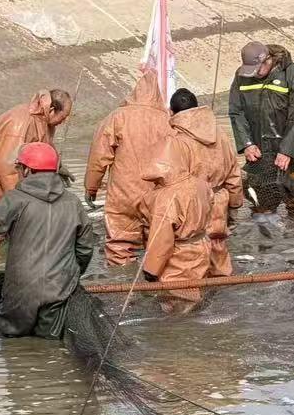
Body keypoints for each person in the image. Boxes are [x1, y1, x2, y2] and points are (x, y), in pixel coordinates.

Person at [0, 143, 92, 339]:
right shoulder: (73, 203)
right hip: (59, 290)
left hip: (20, 291)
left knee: (14, 345)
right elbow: (85, 248)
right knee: (50, 346)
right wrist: (72, 273)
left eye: (19, 168)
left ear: (27, 170)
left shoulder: (15, 199)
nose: (18, 172)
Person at [84, 69, 166, 264]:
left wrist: (91, 187)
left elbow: (99, 156)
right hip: (156, 194)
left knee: (119, 246)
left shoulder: (117, 117)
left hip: (123, 193)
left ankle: (119, 285)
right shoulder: (167, 120)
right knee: (156, 246)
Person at [228, 41, 294, 215]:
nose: (255, 74)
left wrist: (287, 150)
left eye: (258, 69)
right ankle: (266, 240)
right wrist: (247, 143)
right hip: (260, 156)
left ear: (268, 59)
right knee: (261, 208)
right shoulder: (241, 76)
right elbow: (236, 112)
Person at [168, 89, 244, 278]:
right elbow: (234, 175)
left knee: (188, 260)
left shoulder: (173, 139)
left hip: (189, 206)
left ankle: (190, 302)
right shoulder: (220, 134)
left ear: (171, 112)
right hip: (218, 202)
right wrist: (234, 207)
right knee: (219, 257)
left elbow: (166, 183)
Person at [139, 135, 215, 315]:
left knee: (175, 303)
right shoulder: (200, 185)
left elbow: (162, 241)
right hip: (202, 246)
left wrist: (150, 270)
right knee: (197, 294)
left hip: (178, 257)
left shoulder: (166, 197)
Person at [0, 89, 72, 205]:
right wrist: (18, 203)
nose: (64, 121)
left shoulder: (45, 120)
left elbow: (44, 147)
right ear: (52, 110)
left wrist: (57, 166)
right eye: (63, 117)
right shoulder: (21, 124)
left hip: (8, 170)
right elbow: (8, 167)